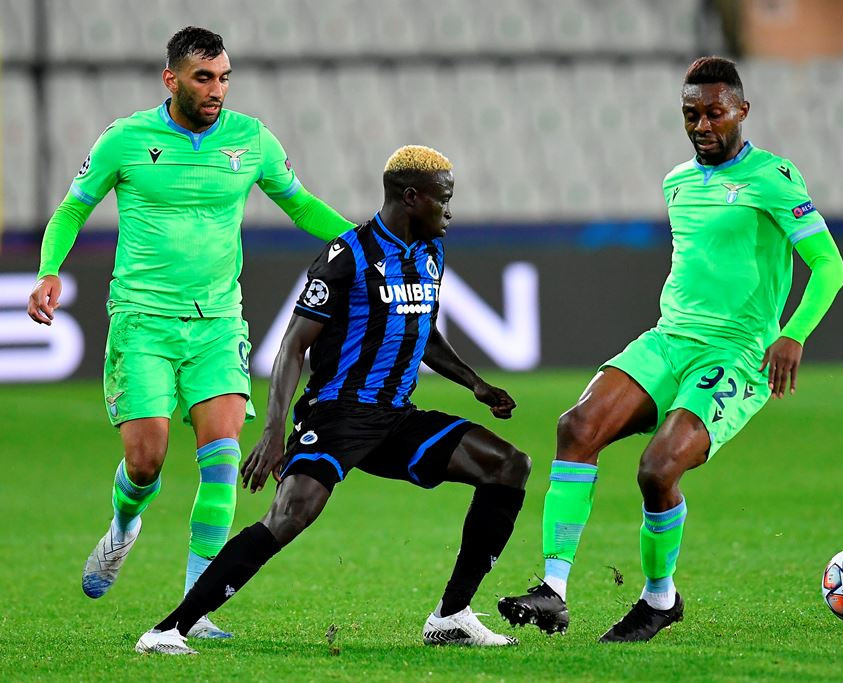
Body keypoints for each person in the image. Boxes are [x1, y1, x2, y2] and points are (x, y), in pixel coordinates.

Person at [498, 56, 843, 643]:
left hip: (735, 354)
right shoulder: (677, 182)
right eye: (691, 114)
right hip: (668, 340)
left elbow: (829, 266)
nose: (702, 125)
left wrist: (793, 333)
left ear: (742, 110)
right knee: (576, 427)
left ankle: (659, 599)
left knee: (658, 470)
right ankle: (553, 590)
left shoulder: (774, 177)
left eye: (715, 113)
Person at [25, 26, 356, 638]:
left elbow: (302, 205)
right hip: (142, 321)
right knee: (145, 460)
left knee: (223, 456)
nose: (217, 90)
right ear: (171, 79)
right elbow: (73, 207)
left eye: (224, 77)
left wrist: (367, 246)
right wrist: (49, 270)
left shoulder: (251, 139)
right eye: (204, 78)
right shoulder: (126, 139)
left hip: (218, 324)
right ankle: (124, 524)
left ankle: (194, 608)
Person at [134, 145, 531, 655]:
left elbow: (421, 329)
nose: (449, 212)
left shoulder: (431, 251)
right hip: (337, 414)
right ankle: (168, 630)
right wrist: (274, 431)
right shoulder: (349, 255)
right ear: (411, 198)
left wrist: (473, 382)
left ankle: (451, 615)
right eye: (443, 200)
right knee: (289, 515)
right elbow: (292, 345)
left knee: (508, 465)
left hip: (396, 418)